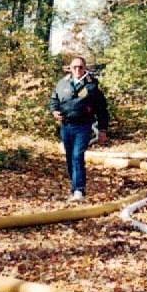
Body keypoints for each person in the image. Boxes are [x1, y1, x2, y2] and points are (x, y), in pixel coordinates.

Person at [49, 56, 109, 201]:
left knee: (77, 156)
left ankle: (79, 191)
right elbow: (54, 100)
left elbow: (102, 109)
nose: (77, 70)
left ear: (85, 68)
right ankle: (74, 188)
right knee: (70, 158)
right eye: (74, 67)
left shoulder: (92, 86)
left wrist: (102, 130)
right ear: (70, 68)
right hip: (66, 126)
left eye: (80, 67)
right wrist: (54, 111)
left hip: (83, 126)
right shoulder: (62, 83)